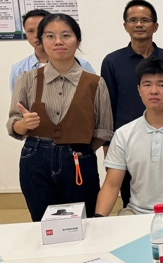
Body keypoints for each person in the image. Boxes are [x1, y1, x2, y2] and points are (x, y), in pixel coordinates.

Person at [7, 13, 113, 221]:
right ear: (41, 41)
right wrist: (23, 124)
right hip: (35, 159)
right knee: (43, 224)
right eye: (50, 36)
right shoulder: (27, 79)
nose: (58, 41)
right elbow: (13, 125)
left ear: (77, 40)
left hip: (79, 159)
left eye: (66, 35)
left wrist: (80, 150)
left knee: (83, 222)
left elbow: (104, 130)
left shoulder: (95, 83)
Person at [95, 58, 163, 216]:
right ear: (139, 90)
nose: (154, 91)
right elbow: (111, 186)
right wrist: (98, 219)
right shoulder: (124, 134)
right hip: (136, 212)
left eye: (161, 85)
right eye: (147, 84)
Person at [100, 0, 163, 207]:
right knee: (130, 195)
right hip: (127, 141)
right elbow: (107, 105)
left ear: (155, 26)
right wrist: (108, 143)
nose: (139, 24)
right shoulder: (112, 61)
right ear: (125, 26)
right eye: (133, 20)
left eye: (145, 20)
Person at [10, 9, 94, 93]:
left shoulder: (82, 65)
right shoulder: (19, 70)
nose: (36, 35)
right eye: (30, 31)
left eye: (40, 30)